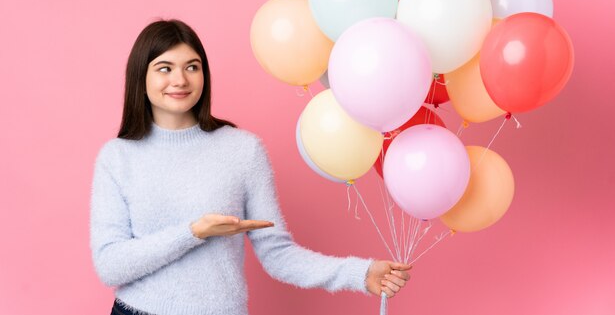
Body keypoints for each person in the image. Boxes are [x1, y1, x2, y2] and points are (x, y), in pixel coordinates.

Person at [90, 19, 412, 315]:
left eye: (192, 66)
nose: (180, 79)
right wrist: (193, 232)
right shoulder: (118, 158)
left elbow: (278, 254)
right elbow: (110, 266)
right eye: (164, 68)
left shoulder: (242, 149)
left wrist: (360, 273)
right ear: (140, 76)